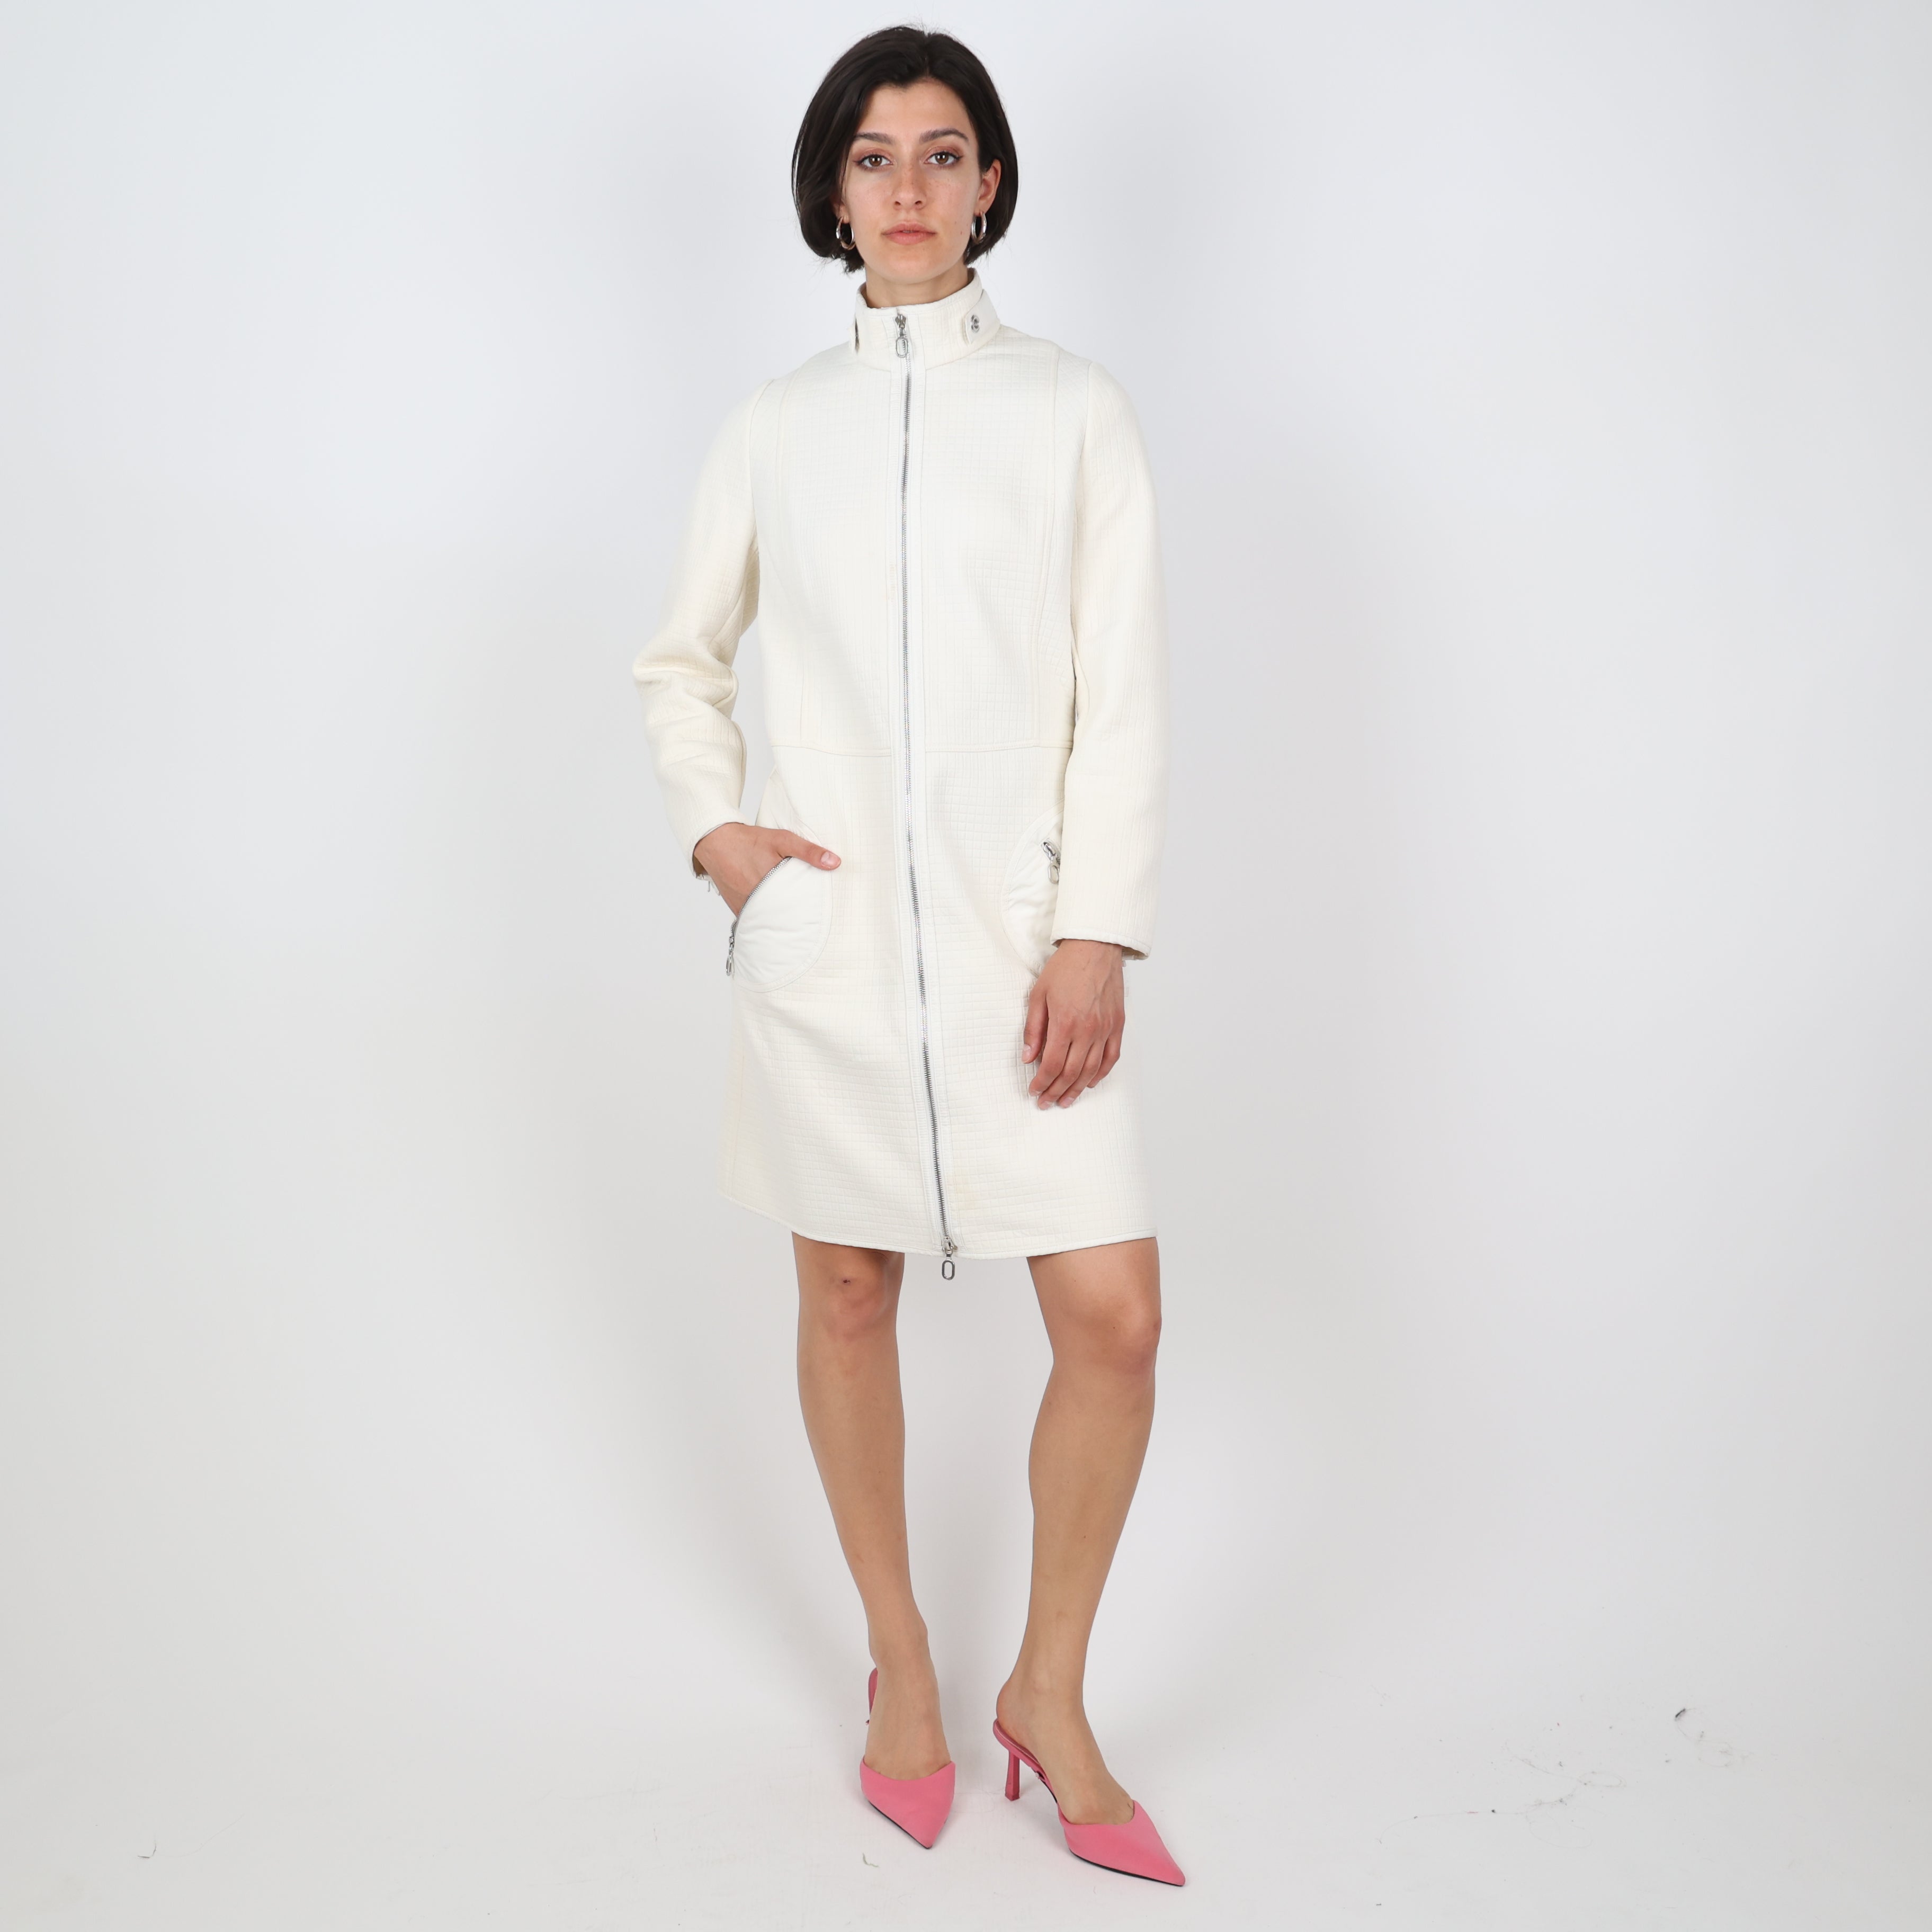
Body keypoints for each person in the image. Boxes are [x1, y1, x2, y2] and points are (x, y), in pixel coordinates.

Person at [632, 25, 1180, 1885]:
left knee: (1112, 1318)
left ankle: (1052, 1690)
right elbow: (680, 661)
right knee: (848, 1295)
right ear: (832, 192)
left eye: (945, 154)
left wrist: (1095, 930)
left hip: (1026, 942)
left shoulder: (1076, 410)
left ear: (992, 181)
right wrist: (721, 835)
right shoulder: (774, 426)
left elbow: (1125, 693)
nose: (910, 190)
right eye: (874, 159)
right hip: (836, 942)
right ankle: (905, 1663)